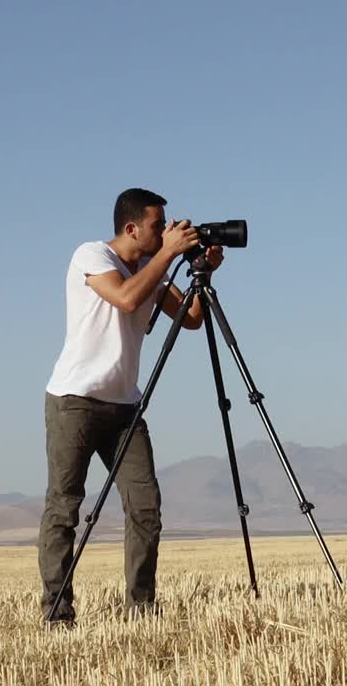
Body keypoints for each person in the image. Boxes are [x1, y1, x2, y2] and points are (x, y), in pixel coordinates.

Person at [37, 187, 224, 626]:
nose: (165, 233)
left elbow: (192, 318)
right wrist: (166, 257)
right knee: (64, 509)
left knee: (145, 507)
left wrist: (203, 272)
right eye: (159, 226)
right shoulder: (91, 255)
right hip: (74, 403)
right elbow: (125, 298)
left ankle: (141, 609)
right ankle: (58, 613)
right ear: (131, 228)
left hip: (125, 407)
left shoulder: (150, 269)